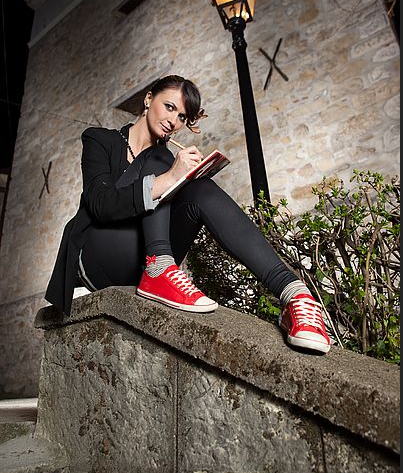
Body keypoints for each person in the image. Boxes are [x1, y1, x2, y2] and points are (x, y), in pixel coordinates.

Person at [45, 75, 331, 354]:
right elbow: (100, 204)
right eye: (169, 107)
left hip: (139, 264)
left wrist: (184, 178)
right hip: (97, 256)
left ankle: (295, 294)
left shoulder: (165, 155)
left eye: (182, 117)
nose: (173, 121)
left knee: (200, 188)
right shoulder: (101, 139)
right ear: (148, 99)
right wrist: (169, 177)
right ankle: (159, 268)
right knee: (159, 156)